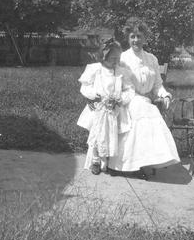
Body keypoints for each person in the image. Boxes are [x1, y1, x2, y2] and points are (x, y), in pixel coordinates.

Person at [107, 18, 180, 176]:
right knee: (146, 111)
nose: (136, 40)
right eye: (133, 36)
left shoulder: (152, 59)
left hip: (145, 100)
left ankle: (146, 160)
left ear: (145, 38)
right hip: (128, 99)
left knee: (148, 110)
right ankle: (131, 164)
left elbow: (157, 85)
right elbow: (124, 85)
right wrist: (139, 98)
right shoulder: (123, 59)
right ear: (128, 38)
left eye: (139, 36)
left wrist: (164, 95)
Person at [77, 39, 135, 175]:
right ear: (104, 57)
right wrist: (92, 95)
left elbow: (130, 90)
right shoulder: (95, 69)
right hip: (98, 108)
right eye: (113, 58)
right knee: (97, 134)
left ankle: (106, 161)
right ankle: (96, 161)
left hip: (114, 109)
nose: (116, 61)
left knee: (110, 135)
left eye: (118, 58)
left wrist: (121, 99)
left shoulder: (121, 72)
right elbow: (85, 86)